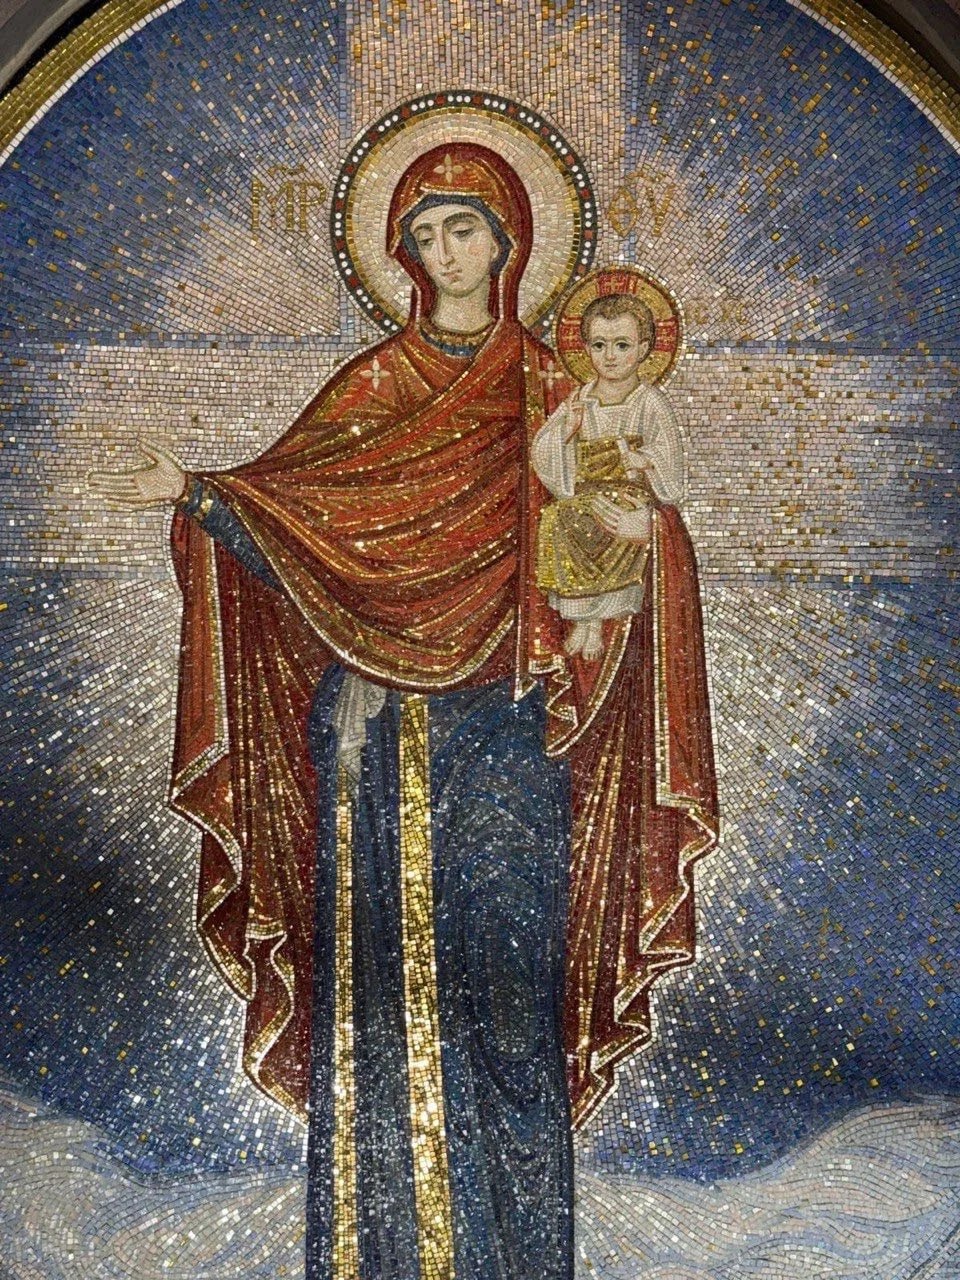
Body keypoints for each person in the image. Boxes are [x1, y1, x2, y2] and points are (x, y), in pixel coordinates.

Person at [89, 142, 718, 1280]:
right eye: (423, 235)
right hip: (373, 739)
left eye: (463, 227)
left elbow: (638, 530)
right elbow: (295, 532)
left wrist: (646, 541)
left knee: (510, 1005)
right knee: (376, 1006)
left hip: (510, 737)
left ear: (510, 237)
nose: (443, 253)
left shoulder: (558, 392)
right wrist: (196, 495)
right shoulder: (372, 388)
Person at [534, 292, 684, 661]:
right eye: (599, 345)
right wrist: (566, 431)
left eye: (622, 345)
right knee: (559, 517)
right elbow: (545, 450)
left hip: (629, 496)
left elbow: (669, 462)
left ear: (644, 348)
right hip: (586, 494)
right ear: (586, 348)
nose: (610, 356)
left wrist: (642, 459)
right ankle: (585, 621)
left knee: (615, 521)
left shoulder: (650, 402)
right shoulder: (581, 399)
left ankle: (601, 622)